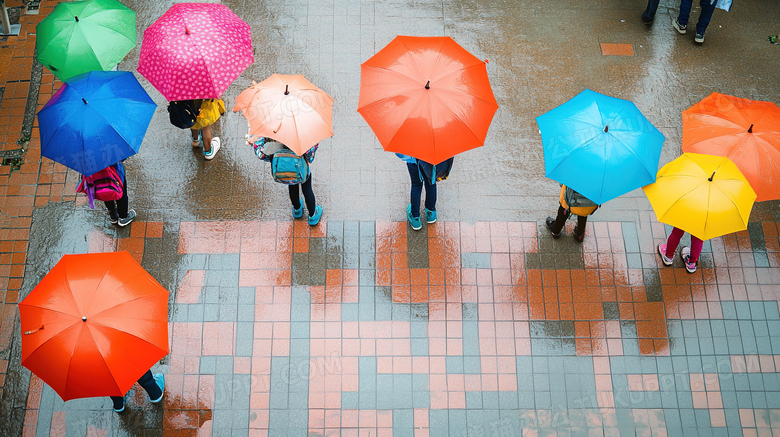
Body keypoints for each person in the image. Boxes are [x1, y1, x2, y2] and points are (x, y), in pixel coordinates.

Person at [250, 137, 323, 226]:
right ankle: (312, 215)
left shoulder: (273, 131)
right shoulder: (301, 132)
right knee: (307, 189)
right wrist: (308, 159)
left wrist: (254, 144)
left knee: (292, 185)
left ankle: (297, 209)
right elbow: (310, 151)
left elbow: (261, 152)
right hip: (301, 166)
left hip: (284, 166)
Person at [398, 154, 437, 231]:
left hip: (413, 160)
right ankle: (431, 213)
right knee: (431, 183)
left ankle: (415, 219)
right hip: (430, 159)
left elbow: (400, 153)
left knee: (416, 185)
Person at [105, 161, 136, 227]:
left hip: (100, 178)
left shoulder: (88, 152)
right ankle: (123, 217)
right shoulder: (112, 150)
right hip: (116, 174)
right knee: (121, 193)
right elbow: (122, 156)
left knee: (106, 194)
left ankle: (113, 215)